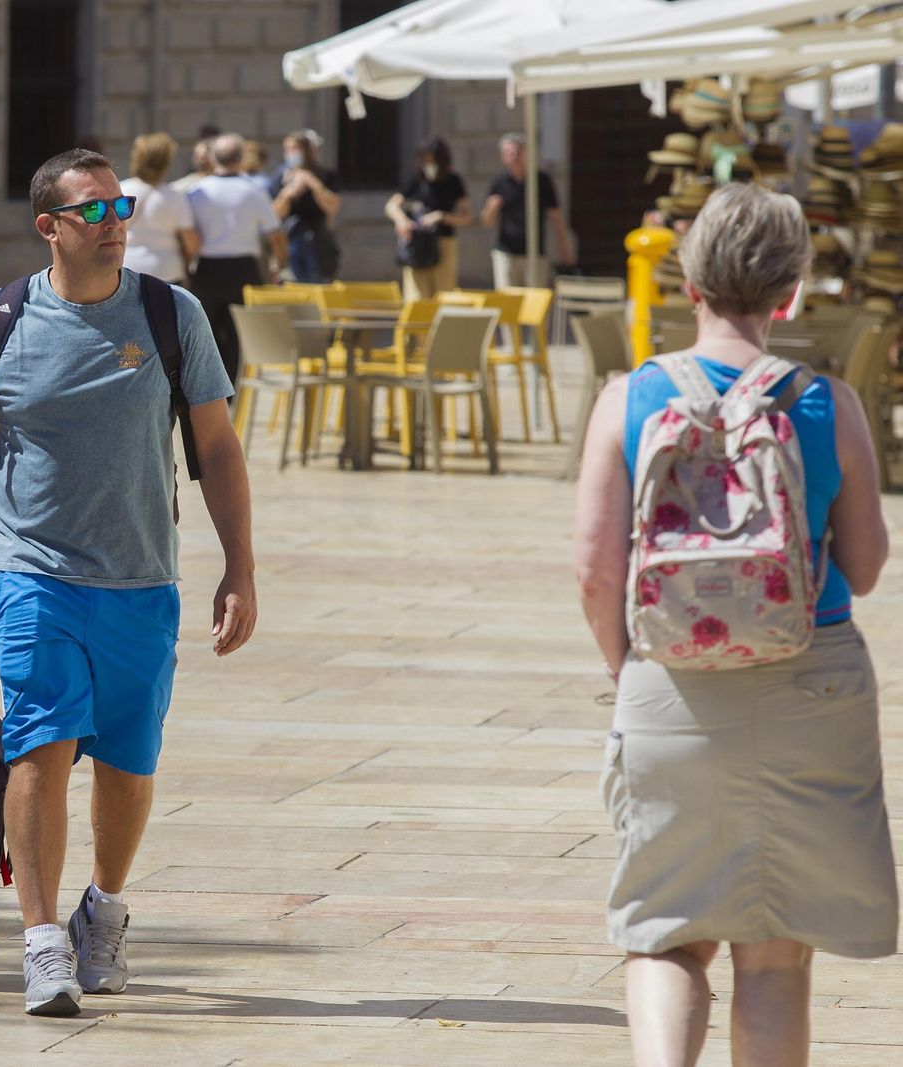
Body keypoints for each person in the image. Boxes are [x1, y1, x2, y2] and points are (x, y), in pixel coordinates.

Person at [574, 183, 896, 1067]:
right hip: (812, 678)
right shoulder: (828, 402)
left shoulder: (627, 399)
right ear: (790, 290)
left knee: (667, 930)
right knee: (776, 943)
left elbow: (597, 569)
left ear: (690, 284)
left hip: (669, 680)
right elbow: (865, 567)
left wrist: (629, 671)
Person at [0, 148, 256, 1017]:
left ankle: (102, 910)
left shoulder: (169, 313)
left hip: (142, 576)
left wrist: (242, 566)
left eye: (122, 209)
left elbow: (218, 447)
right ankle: (42, 942)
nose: (117, 226)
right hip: (29, 569)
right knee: (40, 743)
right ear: (50, 227)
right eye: (96, 213)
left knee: (126, 759)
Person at [187, 133, 286, 385]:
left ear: (212, 158)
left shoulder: (197, 192)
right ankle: (231, 390)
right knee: (239, 335)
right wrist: (280, 265)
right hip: (244, 269)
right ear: (241, 158)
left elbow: (188, 235)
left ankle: (209, 389)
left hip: (207, 269)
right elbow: (276, 234)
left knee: (205, 332)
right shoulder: (254, 191)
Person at [483, 132, 576, 289]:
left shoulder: (541, 181)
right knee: (508, 302)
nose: (513, 157)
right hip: (506, 253)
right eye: (508, 153)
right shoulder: (499, 183)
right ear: (502, 157)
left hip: (534, 254)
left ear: (526, 153)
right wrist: (491, 209)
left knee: (534, 303)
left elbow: (557, 219)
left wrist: (566, 252)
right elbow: (487, 221)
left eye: (516, 152)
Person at [386, 136, 470, 298]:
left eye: (433, 161)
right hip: (418, 244)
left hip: (443, 243)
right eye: (426, 161)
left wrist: (441, 216)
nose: (430, 165)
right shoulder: (416, 180)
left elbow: (466, 216)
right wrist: (402, 221)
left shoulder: (453, 181)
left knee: (443, 295)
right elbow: (391, 206)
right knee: (416, 297)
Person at [119, 132, 199, 287]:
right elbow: (191, 244)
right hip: (167, 271)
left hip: (127, 268)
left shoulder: (121, 190)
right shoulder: (175, 196)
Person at [270, 129, 342, 284]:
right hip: (291, 237)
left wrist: (313, 184)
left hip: (319, 240)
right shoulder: (280, 176)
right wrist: (289, 193)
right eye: (287, 149)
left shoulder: (325, 175)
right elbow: (276, 213)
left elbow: (333, 207)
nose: (290, 153)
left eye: (295, 149)